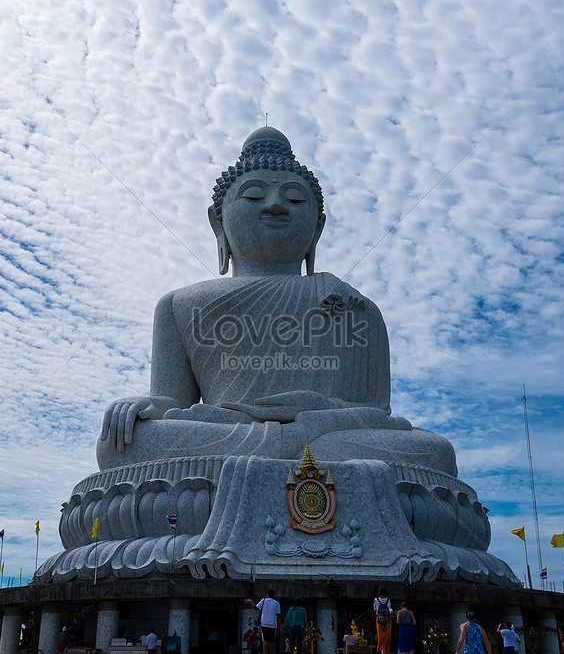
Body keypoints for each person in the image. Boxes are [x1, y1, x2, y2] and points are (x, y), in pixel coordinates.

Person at [97, 127, 457, 477]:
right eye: (254, 196)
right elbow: (172, 402)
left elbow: (374, 413)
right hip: (235, 433)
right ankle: (305, 463)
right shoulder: (179, 304)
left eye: (296, 200)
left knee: (435, 451)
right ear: (217, 222)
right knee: (121, 443)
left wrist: (318, 413)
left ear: (317, 227)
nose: (274, 206)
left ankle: (276, 461)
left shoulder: (352, 305)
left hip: (326, 435)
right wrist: (148, 407)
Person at [244, 589, 282, 654]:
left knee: (265, 640)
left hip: (264, 623)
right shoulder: (276, 603)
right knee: (272, 641)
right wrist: (280, 625)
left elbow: (255, 608)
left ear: (267, 594)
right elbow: (278, 615)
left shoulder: (263, 600)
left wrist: (251, 602)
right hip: (273, 624)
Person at [374, 586, 394, 654]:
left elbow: (375, 610)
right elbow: (389, 609)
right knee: (387, 639)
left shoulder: (376, 600)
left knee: (381, 639)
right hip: (388, 621)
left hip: (379, 621)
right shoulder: (388, 600)